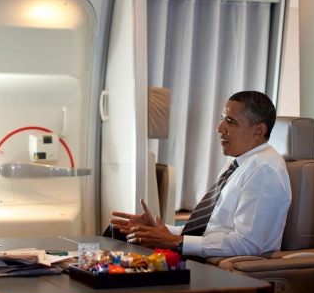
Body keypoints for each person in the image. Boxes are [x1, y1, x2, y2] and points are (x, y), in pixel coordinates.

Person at [110, 91, 292, 258]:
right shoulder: (237, 164)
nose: (220, 128)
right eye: (222, 119)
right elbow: (207, 231)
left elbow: (247, 245)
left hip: (226, 271)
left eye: (231, 121)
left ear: (258, 131)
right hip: (206, 260)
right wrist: (161, 230)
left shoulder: (265, 169)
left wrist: (175, 242)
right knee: (118, 234)